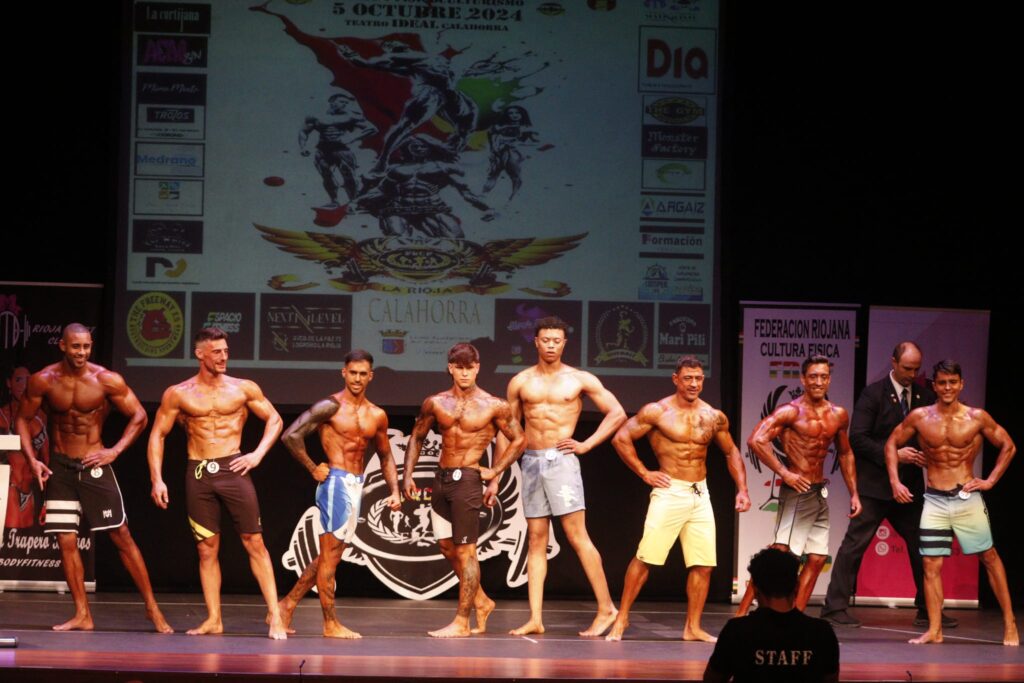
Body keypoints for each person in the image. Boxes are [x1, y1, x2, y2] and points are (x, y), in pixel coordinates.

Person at [15, 324, 171, 633]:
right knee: (66, 540)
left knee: (121, 535)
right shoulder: (43, 380)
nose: (82, 352)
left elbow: (139, 415)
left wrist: (114, 451)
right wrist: (32, 460)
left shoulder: (106, 379)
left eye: (86, 346)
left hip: (94, 466)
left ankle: (152, 608)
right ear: (63, 346)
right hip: (60, 468)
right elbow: (22, 419)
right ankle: (82, 614)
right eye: (76, 347)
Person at [147, 327, 287, 639]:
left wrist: (257, 455)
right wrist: (157, 479)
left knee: (254, 541)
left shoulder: (242, 388)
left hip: (233, 469)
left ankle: (275, 616)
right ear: (200, 354)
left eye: (226, 351)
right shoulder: (178, 393)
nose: (224, 357)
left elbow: (275, 419)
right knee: (206, 549)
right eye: (216, 352)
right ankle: (214, 619)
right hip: (198, 473)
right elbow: (158, 435)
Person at [606, 356, 751, 642]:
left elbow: (731, 451)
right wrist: (644, 473)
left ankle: (692, 627)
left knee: (704, 564)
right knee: (646, 557)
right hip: (670, 491)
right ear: (676, 379)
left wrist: (742, 489)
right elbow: (620, 438)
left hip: (700, 492)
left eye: (698, 378)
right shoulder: (657, 411)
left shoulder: (713, 416)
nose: (694, 384)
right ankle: (621, 618)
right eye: (688, 378)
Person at [499, 316, 625, 636]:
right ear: (536, 342)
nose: (551, 345)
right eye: (546, 340)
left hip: (561, 463)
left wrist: (587, 444)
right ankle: (535, 618)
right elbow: (508, 430)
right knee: (536, 539)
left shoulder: (578, 379)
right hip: (530, 462)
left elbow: (617, 413)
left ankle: (606, 608)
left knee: (577, 536)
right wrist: (497, 473)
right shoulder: (520, 381)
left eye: (557, 340)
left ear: (564, 343)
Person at [822, 342, 956, 628]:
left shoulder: (924, 395)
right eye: (907, 368)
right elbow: (858, 438)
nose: (912, 374)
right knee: (854, 546)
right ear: (893, 362)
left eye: (916, 369)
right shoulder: (873, 394)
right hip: (875, 486)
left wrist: (928, 455)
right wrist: (894, 454)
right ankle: (834, 608)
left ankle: (928, 609)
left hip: (909, 488)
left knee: (923, 547)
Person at [886, 360, 1018, 646]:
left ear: (961, 384)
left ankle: (1009, 622)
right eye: (942, 382)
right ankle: (935, 630)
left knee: (989, 556)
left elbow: (1008, 446)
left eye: (952, 382)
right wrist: (895, 481)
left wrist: (990, 481)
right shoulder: (920, 417)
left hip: (966, 497)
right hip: (934, 500)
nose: (947, 388)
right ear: (934, 385)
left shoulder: (977, 417)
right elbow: (891, 444)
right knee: (930, 564)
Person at [275, 350, 401, 638]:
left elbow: (385, 455)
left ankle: (287, 605)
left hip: (357, 484)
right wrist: (312, 468)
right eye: (352, 372)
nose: (357, 378)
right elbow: (290, 435)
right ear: (344, 372)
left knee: (329, 555)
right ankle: (330, 623)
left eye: (362, 374)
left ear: (371, 376)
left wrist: (394, 490)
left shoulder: (377, 415)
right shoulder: (329, 407)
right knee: (331, 557)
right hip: (336, 484)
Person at [402, 342, 525, 638]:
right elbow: (417, 437)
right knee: (446, 546)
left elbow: (520, 439)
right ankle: (481, 601)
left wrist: (495, 471)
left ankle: (462, 621)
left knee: (467, 551)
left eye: (470, 368)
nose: (465, 373)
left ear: (477, 368)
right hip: (441, 478)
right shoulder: (435, 403)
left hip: (468, 479)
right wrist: (407, 475)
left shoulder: (494, 405)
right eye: (459, 368)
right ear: (450, 368)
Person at [736, 355, 862, 616]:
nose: (818, 382)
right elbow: (756, 440)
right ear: (803, 379)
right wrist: (785, 472)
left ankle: (795, 618)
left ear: (829, 379)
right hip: (796, 492)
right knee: (780, 555)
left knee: (817, 558)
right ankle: (741, 615)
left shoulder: (838, 414)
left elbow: (845, 453)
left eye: (823, 376)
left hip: (818, 493)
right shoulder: (790, 411)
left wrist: (854, 493)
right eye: (813, 376)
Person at [704, 548, 839, 683]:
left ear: (755, 589)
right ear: (797, 586)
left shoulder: (736, 631)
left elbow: (712, 679)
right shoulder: (822, 632)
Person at [299, 91, 377, 208]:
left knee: (349, 175)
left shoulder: (351, 116)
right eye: (342, 102)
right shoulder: (316, 116)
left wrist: (352, 137)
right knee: (326, 175)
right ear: (332, 102)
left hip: (342, 149)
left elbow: (372, 129)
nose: (345, 104)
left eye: (346, 103)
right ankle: (334, 201)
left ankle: (354, 202)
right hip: (323, 149)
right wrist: (303, 147)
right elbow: (303, 131)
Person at [2, 365, 49, 528]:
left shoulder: (41, 417)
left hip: (29, 492)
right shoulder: (2, 416)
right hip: (9, 488)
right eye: (18, 380)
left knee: (26, 537)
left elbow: (47, 460)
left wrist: (47, 501)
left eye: (28, 380)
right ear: (9, 383)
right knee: (12, 535)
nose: (23, 385)